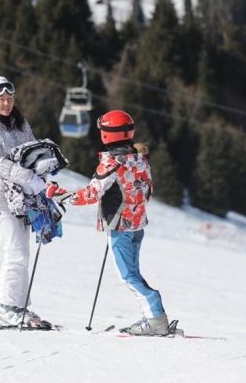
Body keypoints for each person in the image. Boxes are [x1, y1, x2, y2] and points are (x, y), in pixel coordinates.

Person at [63, 110, 169, 336]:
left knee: (127, 275)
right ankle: (150, 316)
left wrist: (60, 195)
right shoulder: (140, 157)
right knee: (134, 272)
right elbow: (147, 192)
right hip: (137, 224)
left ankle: (155, 318)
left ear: (106, 135)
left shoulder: (111, 163)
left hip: (119, 226)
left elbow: (91, 194)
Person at [0, 75, 53, 328]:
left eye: (10, 98)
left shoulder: (19, 123)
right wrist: (30, 178)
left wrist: (45, 165)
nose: (6, 103)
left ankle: (19, 307)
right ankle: (6, 307)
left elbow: (30, 151)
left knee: (22, 253)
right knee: (15, 251)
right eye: (1, 99)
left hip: (21, 199)